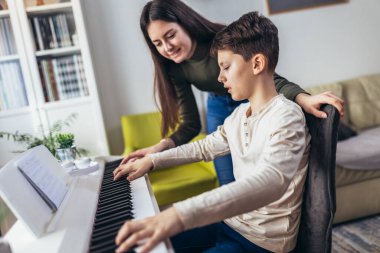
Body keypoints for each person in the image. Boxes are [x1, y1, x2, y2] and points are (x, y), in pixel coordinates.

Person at [114, 11, 311, 253]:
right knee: (140, 244)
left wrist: (177, 215)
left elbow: (272, 181)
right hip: (230, 224)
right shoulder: (240, 115)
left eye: (226, 67)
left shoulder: (286, 116)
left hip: (261, 242)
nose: (219, 78)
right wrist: (153, 160)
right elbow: (204, 146)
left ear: (257, 63)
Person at [118, 0, 343, 186]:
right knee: (228, 180)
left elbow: (267, 77)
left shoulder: (220, 39)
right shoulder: (173, 67)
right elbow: (190, 124)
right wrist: (157, 150)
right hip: (218, 105)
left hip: (251, 99)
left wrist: (304, 98)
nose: (166, 48)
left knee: (266, 171)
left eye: (170, 35)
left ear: (185, 24)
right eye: (157, 43)